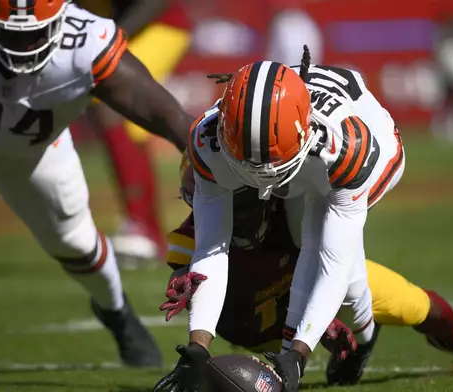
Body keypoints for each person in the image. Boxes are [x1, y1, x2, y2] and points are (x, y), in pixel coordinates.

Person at [0, 0, 193, 368]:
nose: (23, 47)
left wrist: (197, 150)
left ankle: (116, 312)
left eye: (33, 35)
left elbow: (163, 112)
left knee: (78, 245)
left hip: (36, 150)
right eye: (11, 34)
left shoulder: (88, 44)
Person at [154, 46, 406, 392]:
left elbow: (329, 261)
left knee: (328, 253)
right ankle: (305, 354)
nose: (256, 175)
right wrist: (197, 348)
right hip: (292, 149)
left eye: (265, 164)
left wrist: (296, 356)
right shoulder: (208, 138)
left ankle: (362, 339)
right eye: (247, 163)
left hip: (367, 145)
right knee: (305, 239)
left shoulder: (345, 150)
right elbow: (212, 247)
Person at [157, 153, 453, 386]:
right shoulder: (195, 237)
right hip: (257, 326)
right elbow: (195, 283)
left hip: (318, 285)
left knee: (418, 306)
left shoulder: (294, 210)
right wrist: (182, 284)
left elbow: (329, 261)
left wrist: (322, 316)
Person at [75, 0, 192, 265]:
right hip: (113, 29)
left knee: (111, 105)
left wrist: (113, 37)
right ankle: (145, 230)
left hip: (159, 24)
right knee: (112, 114)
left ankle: (141, 226)